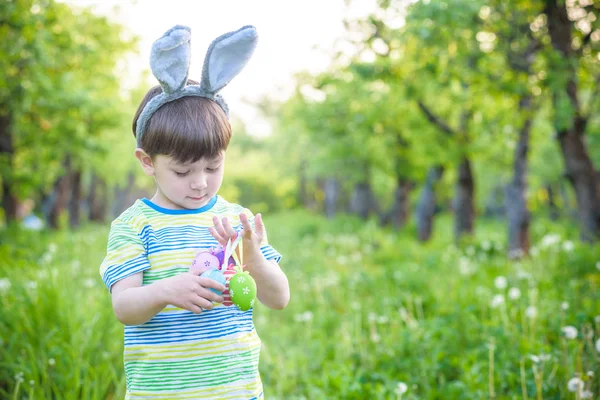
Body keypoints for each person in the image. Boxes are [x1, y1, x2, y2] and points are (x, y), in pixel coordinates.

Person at [99, 25, 290, 399]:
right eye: (183, 171)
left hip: (236, 389)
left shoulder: (237, 221)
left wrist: (252, 256)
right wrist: (168, 290)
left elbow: (279, 298)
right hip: (163, 391)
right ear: (147, 162)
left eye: (213, 167)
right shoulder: (135, 225)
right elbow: (124, 306)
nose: (200, 182)